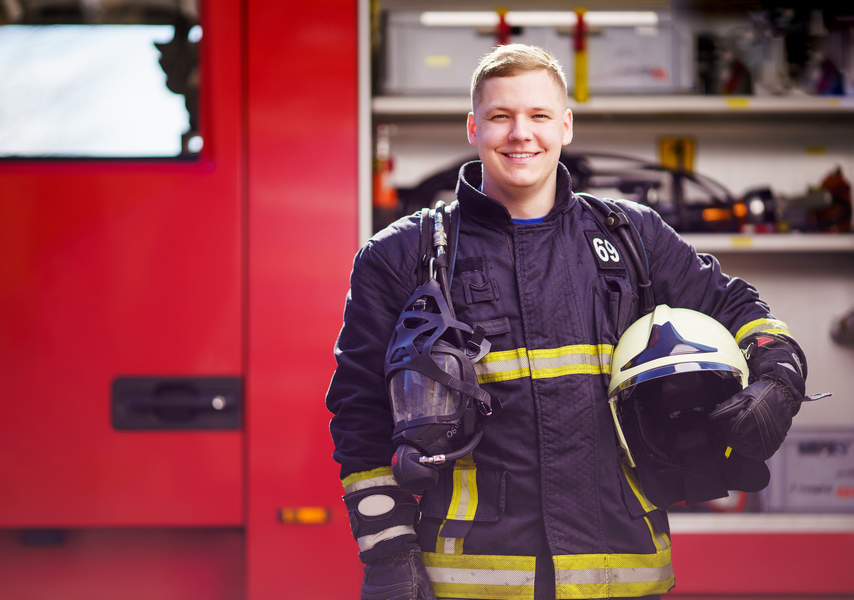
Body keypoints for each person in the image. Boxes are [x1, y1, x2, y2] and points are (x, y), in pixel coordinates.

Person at [326, 44, 808, 600]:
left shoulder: (635, 238)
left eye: (538, 116)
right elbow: (358, 415)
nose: (520, 134)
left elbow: (742, 311)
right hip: (470, 583)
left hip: (622, 575)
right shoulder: (402, 256)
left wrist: (779, 376)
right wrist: (387, 552)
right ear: (473, 126)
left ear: (566, 126)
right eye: (501, 116)